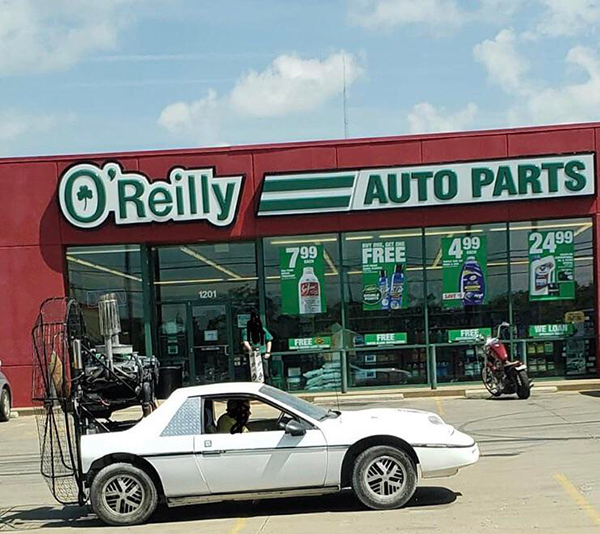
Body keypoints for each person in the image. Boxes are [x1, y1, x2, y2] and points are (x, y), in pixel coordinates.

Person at [242, 311, 273, 382]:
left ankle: (266, 384)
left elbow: (269, 340)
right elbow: (245, 341)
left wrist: (268, 352)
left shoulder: (262, 329)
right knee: (252, 372)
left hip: (262, 354)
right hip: (252, 354)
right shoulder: (246, 330)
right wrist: (250, 349)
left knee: (265, 372)